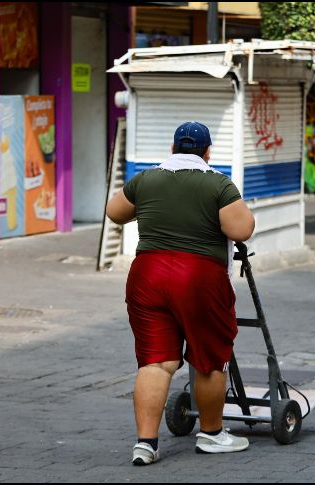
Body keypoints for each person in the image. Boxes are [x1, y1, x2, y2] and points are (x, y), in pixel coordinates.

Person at [106, 121, 255, 466]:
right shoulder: (217, 183)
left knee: (156, 361)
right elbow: (240, 229)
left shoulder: (146, 178)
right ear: (207, 152)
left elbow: (116, 213)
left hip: (148, 274)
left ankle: (145, 443)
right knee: (206, 360)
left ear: (173, 148)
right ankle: (212, 434)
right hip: (198, 276)